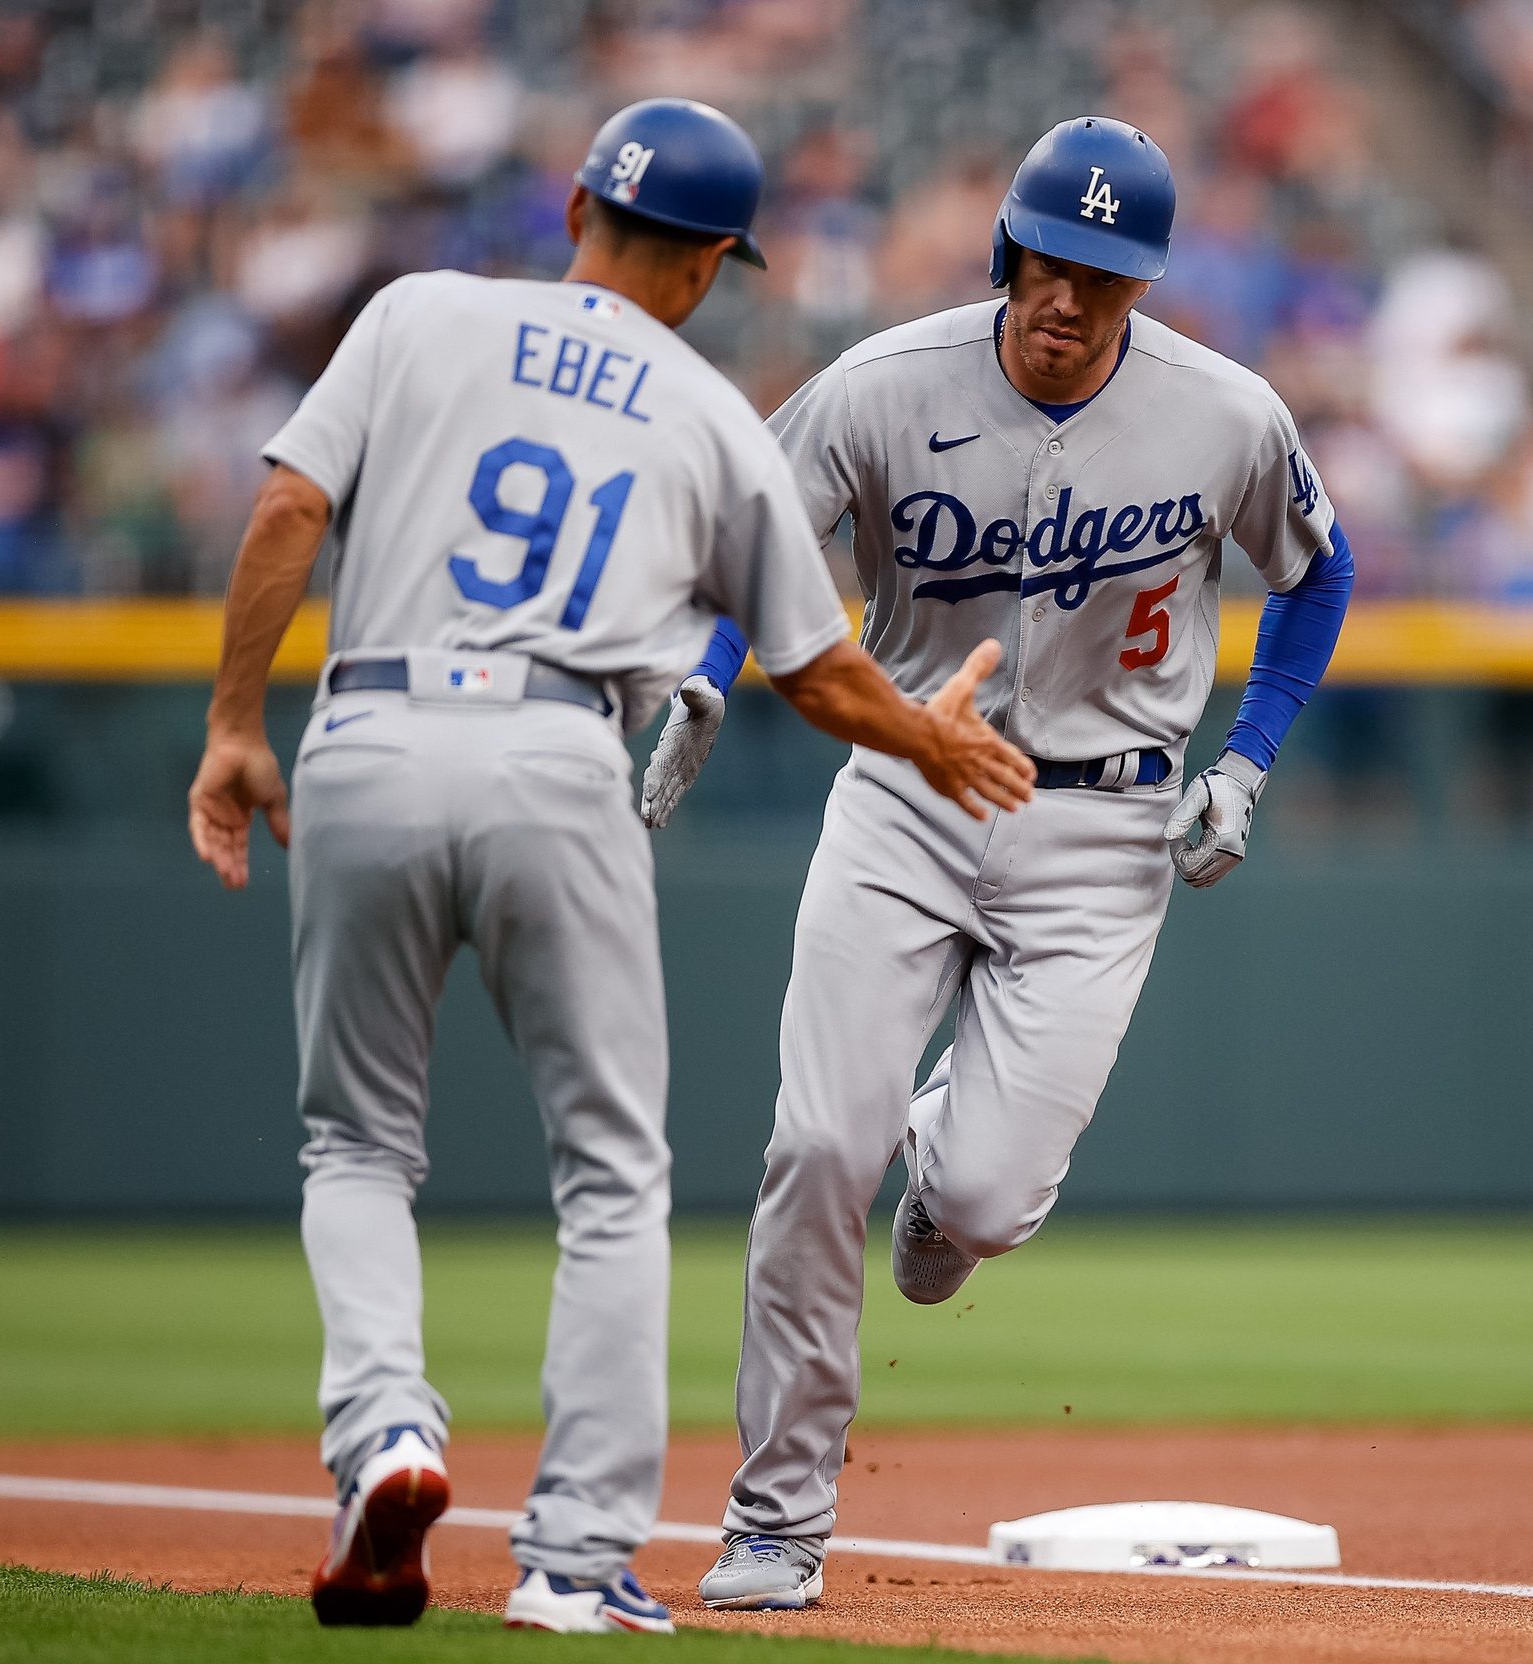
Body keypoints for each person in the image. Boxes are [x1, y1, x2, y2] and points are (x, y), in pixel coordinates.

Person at [184, 97, 1032, 1636]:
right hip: (557, 752)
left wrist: (235, 724)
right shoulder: (709, 414)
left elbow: (287, 505)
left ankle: (382, 1431)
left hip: (364, 733)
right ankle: (573, 1561)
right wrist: (930, 742)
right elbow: (821, 670)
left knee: (358, 1148)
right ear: (714, 266)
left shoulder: (416, 312)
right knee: (609, 1173)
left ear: (575, 204)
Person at [639, 116, 1355, 1611]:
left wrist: (1246, 758)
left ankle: (946, 1164)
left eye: (1105, 275)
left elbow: (1317, 569)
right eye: (1050, 260)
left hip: (1104, 831)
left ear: (1142, 287)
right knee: (816, 1149)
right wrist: (708, 674)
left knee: (972, 1210)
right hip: (904, 793)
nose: (1068, 297)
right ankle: (776, 1517)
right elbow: (753, 538)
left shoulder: (1221, 413)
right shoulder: (883, 384)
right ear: (1007, 252)